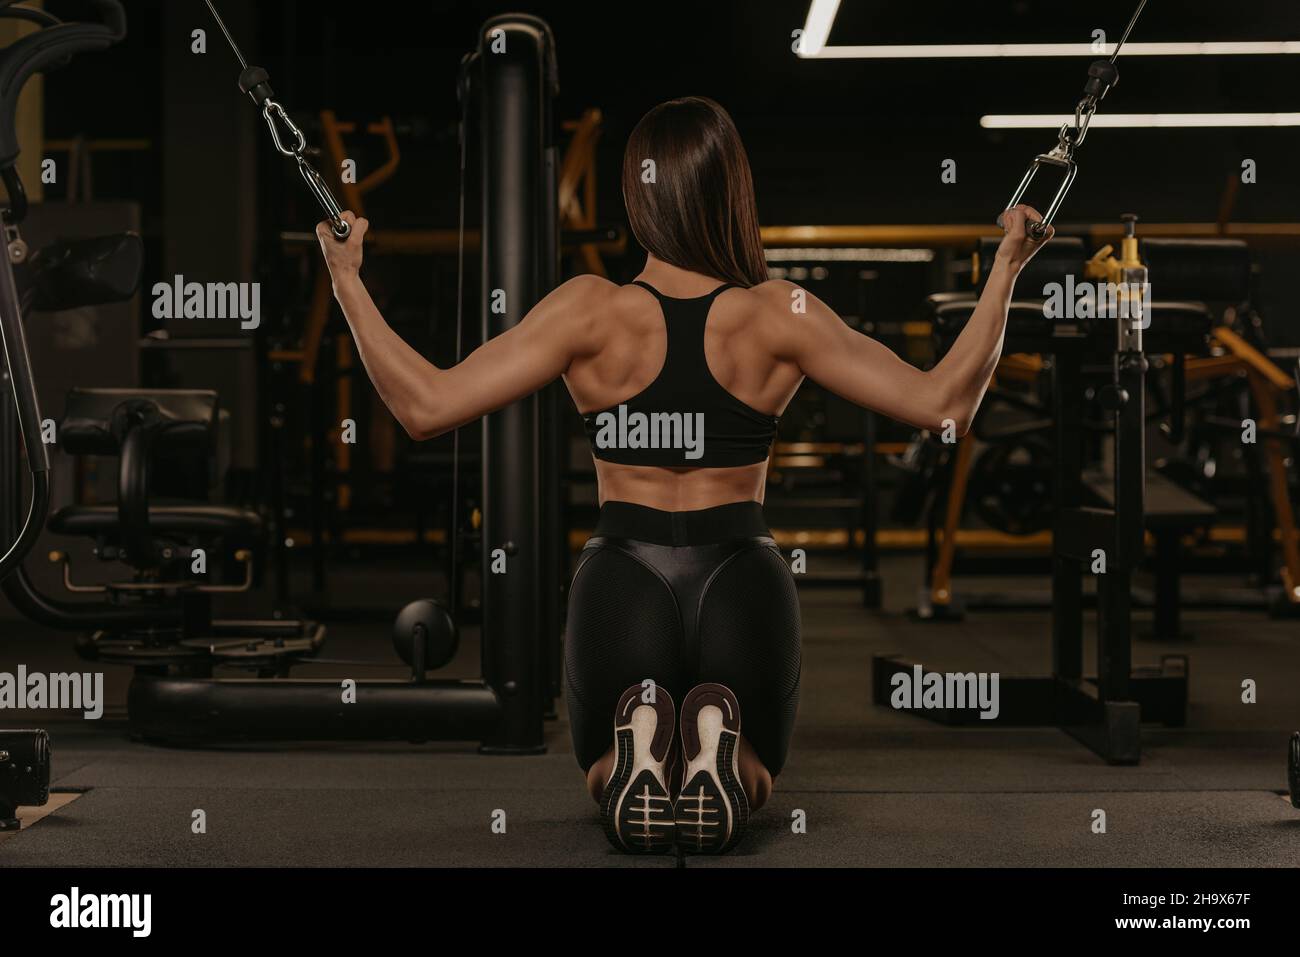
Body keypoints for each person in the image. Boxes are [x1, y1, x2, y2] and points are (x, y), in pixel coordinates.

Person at [316, 95, 1050, 854]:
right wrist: (1006, 267)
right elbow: (943, 407)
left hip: (622, 581)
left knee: (601, 769)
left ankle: (636, 737)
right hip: (741, 578)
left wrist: (347, 279)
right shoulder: (778, 314)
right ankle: (718, 746)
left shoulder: (588, 309)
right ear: (730, 192)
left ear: (638, 197)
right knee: (760, 771)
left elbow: (425, 404)